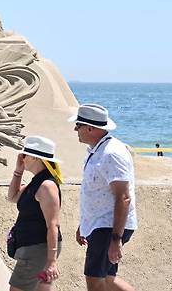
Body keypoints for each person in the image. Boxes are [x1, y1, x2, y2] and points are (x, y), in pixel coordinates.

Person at [69, 104, 137, 291]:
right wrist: (84, 224)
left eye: (78, 125)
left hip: (108, 227)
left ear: (91, 128)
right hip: (101, 224)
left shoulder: (111, 153)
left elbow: (123, 197)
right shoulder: (97, 150)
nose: (76, 130)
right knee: (107, 278)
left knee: (95, 279)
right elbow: (97, 192)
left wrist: (116, 239)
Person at [7, 136, 63, 291]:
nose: (21, 157)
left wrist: (51, 261)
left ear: (35, 157)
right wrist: (18, 171)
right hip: (37, 248)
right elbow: (12, 197)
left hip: (38, 249)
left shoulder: (46, 186)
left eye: (24, 155)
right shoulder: (37, 182)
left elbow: (53, 224)